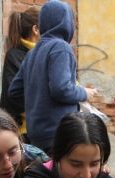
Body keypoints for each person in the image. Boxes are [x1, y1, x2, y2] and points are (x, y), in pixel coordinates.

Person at [8, 0, 97, 154]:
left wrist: (37, 103)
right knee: (62, 176)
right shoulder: (61, 47)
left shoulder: (32, 53)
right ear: (66, 23)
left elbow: (14, 92)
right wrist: (84, 93)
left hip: (36, 133)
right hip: (59, 133)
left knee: (44, 176)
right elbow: (61, 89)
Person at [0, 6, 40, 140]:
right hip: (25, 132)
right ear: (35, 29)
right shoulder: (15, 56)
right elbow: (14, 98)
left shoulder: (44, 54)